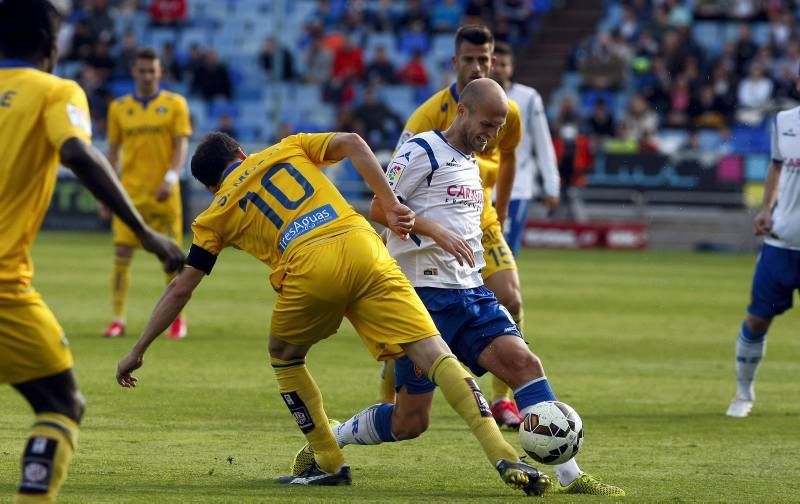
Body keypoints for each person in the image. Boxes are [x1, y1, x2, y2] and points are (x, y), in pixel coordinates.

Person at [115, 130, 550, 494]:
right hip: (364, 245)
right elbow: (354, 142)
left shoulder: (215, 212)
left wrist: (138, 349)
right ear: (242, 153)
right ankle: (504, 456)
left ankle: (328, 459)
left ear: (211, 185)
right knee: (434, 353)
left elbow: (180, 289)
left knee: (284, 355)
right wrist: (390, 202)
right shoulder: (287, 147)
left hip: (308, 267)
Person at [289, 79, 624, 496]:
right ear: (462, 112)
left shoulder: (471, 162)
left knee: (525, 365)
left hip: (472, 295)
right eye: (487, 123)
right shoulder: (421, 150)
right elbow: (380, 206)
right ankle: (334, 436)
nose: (492, 134)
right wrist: (435, 231)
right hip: (421, 301)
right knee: (411, 422)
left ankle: (572, 476)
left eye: (499, 127)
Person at [0, 1, 184, 502]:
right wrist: (147, 233)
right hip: (4, 291)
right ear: (50, 47)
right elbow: (78, 152)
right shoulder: (56, 91)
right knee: (61, 404)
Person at [387, 24, 526, 430]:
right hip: (432, 229)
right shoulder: (428, 116)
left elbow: (511, 158)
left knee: (511, 301)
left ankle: (503, 400)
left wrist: (499, 211)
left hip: (482, 222)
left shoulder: (506, 111)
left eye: (485, 59)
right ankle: (393, 398)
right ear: (455, 63)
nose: (478, 65)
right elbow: (391, 190)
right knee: (416, 330)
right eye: (469, 59)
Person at [102, 47, 192, 339]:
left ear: (160, 72)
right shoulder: (119, 108)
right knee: (122, 252)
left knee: (172, 257)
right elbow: (113, 152)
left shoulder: (175, 104)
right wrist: (106, 192)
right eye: (141, 70)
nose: (146, 76)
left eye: (151, 71)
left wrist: (171, 177)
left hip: (164, 193)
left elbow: (180, 145)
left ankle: (177, 319)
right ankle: (117, 319)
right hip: (129, 195)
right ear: (133, 72)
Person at [727, 83, 800, 418]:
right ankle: (743, 393)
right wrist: (765, 208)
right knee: (757, 319)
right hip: (781, 243)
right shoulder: (784, 121)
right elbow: (776, 166)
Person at [491, 42, 559, 256]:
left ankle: (501, 290)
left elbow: (543, 143)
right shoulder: (476, 95)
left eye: (504, 64)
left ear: (511, 68)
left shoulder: (528, 98)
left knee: (504, 251)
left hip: (517, 186)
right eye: (495, 63)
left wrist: (552, 186)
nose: (499, 68)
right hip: (481, 186)